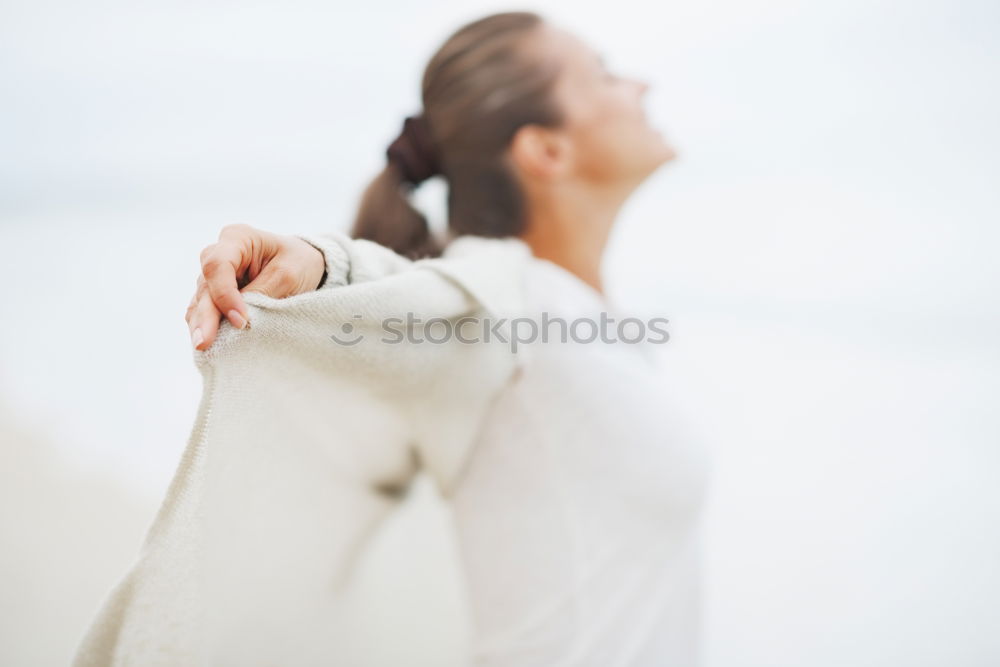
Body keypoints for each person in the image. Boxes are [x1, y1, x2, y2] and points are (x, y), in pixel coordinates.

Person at [87, 10, 712, 666]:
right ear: (546, 150)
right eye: (605, 74)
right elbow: (429, 299)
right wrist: (323, 267)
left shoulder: (573, 311)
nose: (640, 86)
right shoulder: (508, 296)